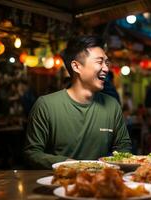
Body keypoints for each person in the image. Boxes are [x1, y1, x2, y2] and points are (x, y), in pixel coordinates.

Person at [24, 35, 132, 169]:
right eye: (99, 62)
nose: (106, 68)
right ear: (76, 66)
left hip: (101, 183)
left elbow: (124, 148)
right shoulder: (46, 105)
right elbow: (32, 153)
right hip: (60, 184)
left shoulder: (112, 105)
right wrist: (69, 165)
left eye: (106, 63)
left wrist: (110, 165)